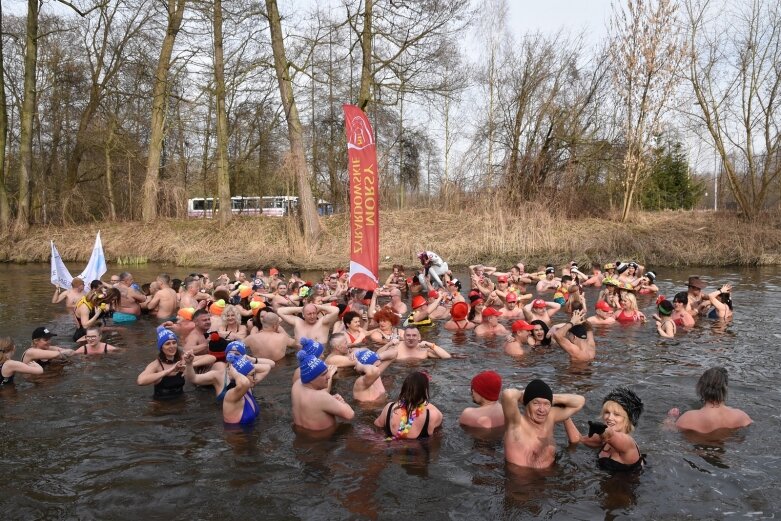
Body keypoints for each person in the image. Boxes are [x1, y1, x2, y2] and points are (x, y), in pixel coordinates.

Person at [500, 379, 585, 468]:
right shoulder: (516, 424)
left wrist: (551, 398)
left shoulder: (550, 417)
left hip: (550, 477)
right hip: (521, 480)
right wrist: (525, 396)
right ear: (526, 404)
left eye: (546, 404)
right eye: (536, 403)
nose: (542, 409)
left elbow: (580, 401)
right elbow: (508, 394)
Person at [565, 387, 645, 471]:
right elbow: (578, 440)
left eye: (617, 414)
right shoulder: (602, 439)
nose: (609, 417)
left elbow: (610, 435)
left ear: (628, 420)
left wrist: (601, 430)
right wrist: (565, 416)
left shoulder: (628, 443)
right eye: (607, 412)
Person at [667, 367, 752, 433]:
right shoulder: (741, 416)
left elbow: (669, 431)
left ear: (701, 388)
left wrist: (671, 418)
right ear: (726, 388)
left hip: (698, 451)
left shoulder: (688, 418)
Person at [291, 351, 354, 431]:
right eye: (323, 374)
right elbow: (350, 415)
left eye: (327, 372)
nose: (328, 376)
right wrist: (342, 402)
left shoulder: (296, 385)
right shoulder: (321, 397)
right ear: (311, 379)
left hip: (301, 434)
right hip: (325, 439)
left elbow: (315, 403)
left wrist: (330, 399)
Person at [375, 371, 443, 440]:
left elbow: (377, 429)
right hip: (419, 449)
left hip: (391, 447)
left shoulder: (389, 408)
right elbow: (436, 441)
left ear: (404, 389)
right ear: (425, 391)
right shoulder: (434, 415)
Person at [221, 353, 270, 425]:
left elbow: (267, 368)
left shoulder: (248, 387)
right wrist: (235, 373)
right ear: (243, 376)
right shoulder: (231, 395)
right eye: (253, 374)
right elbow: (244, 383)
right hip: (237, 435)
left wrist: (250, 361)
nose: (255, 378)